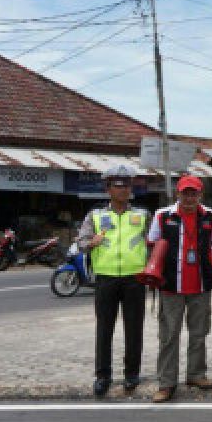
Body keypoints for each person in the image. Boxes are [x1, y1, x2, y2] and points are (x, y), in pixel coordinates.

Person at [147, 174, 212, 403]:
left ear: (200, 194)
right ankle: (166, 383)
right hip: (170, 284)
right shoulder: (163, 216)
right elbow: (152, 245)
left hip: (201, 284)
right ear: (178, 193)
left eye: (194, 193)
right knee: (169, 335)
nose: (189, 197)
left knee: (199, 332)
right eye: (185, 193)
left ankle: (196, 374)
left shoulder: (211, 216)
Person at [77, 164, 149, 396]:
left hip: (135, 278)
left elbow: (155, 242)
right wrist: (91, 242)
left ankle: (132, 374)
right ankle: (103, 376)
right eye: (118, 186)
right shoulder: (96, 216)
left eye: (127, 185)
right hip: (106, 278)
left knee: (134, 328)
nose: (123, 190)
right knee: (104, 329)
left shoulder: (142, 215)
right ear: (108, 189)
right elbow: (80, 243)